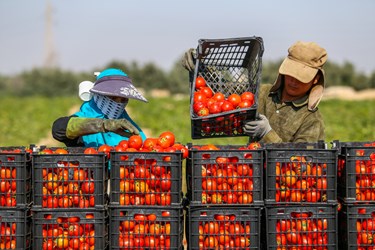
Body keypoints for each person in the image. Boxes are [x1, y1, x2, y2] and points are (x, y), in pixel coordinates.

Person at [183, 41, 327, 143]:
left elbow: (300, 165)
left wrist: (267, 134)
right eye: (290, 74)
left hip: (282, 185)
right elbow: (221, 92)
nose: (293, 81)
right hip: (251, 176)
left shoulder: (311, 120)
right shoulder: (263, 93)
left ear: (316, 79)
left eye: (300, 78)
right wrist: (200, 68)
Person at [52, 68, 148, 147]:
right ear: (99, 95)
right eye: (113, 98)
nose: (118, 103)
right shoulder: (82, 120)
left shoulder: (128, 127)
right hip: (89, 170)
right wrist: (103, 125)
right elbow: (58, 129)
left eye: (123, 99)